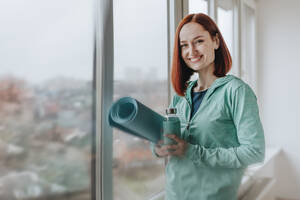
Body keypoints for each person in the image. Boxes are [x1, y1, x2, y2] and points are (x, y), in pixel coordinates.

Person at [151, 13, 265, 200]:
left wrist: (192, 151)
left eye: (198, 41)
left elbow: (254, 152)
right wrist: (158, 147)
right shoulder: (181, 95)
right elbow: (168, 139)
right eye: (184, 45)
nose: (191, 51)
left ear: (216, 41)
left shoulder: (236, 91)